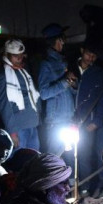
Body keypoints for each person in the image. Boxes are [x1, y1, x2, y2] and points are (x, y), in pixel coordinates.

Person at [73, 41, 103, 199]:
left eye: (94, 55)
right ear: (82, 50)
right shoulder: (72, 69)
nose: (91, 58)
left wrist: (98, 120)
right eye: (89, 53)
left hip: (97, 120)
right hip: (79, 121)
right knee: (82, 153)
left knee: (102, 151)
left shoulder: (98, 73)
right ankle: (85, 187)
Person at [37, 22, 78, 162]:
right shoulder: (46, 64)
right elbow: (43, 93)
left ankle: (70, 183)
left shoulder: (63, 62)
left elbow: (69, 92)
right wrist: (65, 82)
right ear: (56, 40)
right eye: (62, 38)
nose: (64, 42)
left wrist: (73, 85)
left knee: (70, 159)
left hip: (68, 119)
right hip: (56, 122)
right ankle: (51, 183)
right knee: (53, 160)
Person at [0, 38, 41, 152]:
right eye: (15, 56)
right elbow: (3, 105)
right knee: (19, 163)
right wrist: (12, 132)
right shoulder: (2, 75)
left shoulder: (24, 71)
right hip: (18, 128)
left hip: (32, 125)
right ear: (7, 55)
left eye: (21, 55)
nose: (19, 59)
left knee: (34, 160)